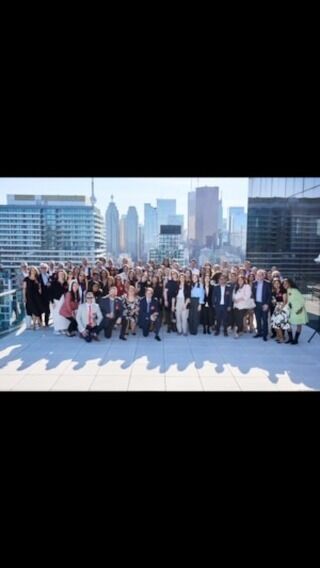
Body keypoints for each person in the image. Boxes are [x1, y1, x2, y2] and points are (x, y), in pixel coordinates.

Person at [283, 278, 308, 344]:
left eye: (286, 283)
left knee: (298, 325)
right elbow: (290, 301)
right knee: (287, 323)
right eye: (284, 283)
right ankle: (290, 339)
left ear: (290, 283)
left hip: (299, 311)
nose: (284, 284)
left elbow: (302, 300)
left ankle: (296, 340)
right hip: (292, 310)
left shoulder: (295, 291)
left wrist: (299, 309)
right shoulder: (288, 290)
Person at [251, 269, 272, 341]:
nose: (259, 276)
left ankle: (265, 335)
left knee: (265, 320)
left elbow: (270, 295)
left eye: (261, 275)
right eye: (258, 275)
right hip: (256, 304)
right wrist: (253, 301)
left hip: (264, 304)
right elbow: (253, 293)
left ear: (263, 276)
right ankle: (259, 332)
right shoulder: (254, 283)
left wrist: (267, 304)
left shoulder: (268, 283)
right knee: (257, 319)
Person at [50, 269, 69, 335]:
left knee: (63, 315)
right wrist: (52, 302)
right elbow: (50, 293)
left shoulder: (66, 282)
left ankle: (63, 328)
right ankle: (57, 329)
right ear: (57, 275)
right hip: (56, 301)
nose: (61, 275)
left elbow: (67, 292)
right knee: (57, 315)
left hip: (64, 300)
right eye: (60, 274)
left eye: (62, 274)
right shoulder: (54, 282)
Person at [270, 278, 289, 343]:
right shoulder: (274, 291)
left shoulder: (283, 290)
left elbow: (285, 301)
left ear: (280, 284)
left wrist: (281, 309)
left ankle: (281, 338)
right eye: (275, 283)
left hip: (282, 308)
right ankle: (279, 336)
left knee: (278, 324)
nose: (276, 285)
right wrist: (274, 302)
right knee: (274, 323)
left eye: (278, 283)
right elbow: (275, 301)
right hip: (277, 308)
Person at [39, 262, 51, 327]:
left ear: (47, 269)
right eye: (42, 268)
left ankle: (46, 323)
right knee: (40, 309)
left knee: (47, 310)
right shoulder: (38, 276)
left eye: (45, 268)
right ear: (40, 269)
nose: (43, 269)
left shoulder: (49, 276)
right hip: (39, 296)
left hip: (47, 296)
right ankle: (40, 323)